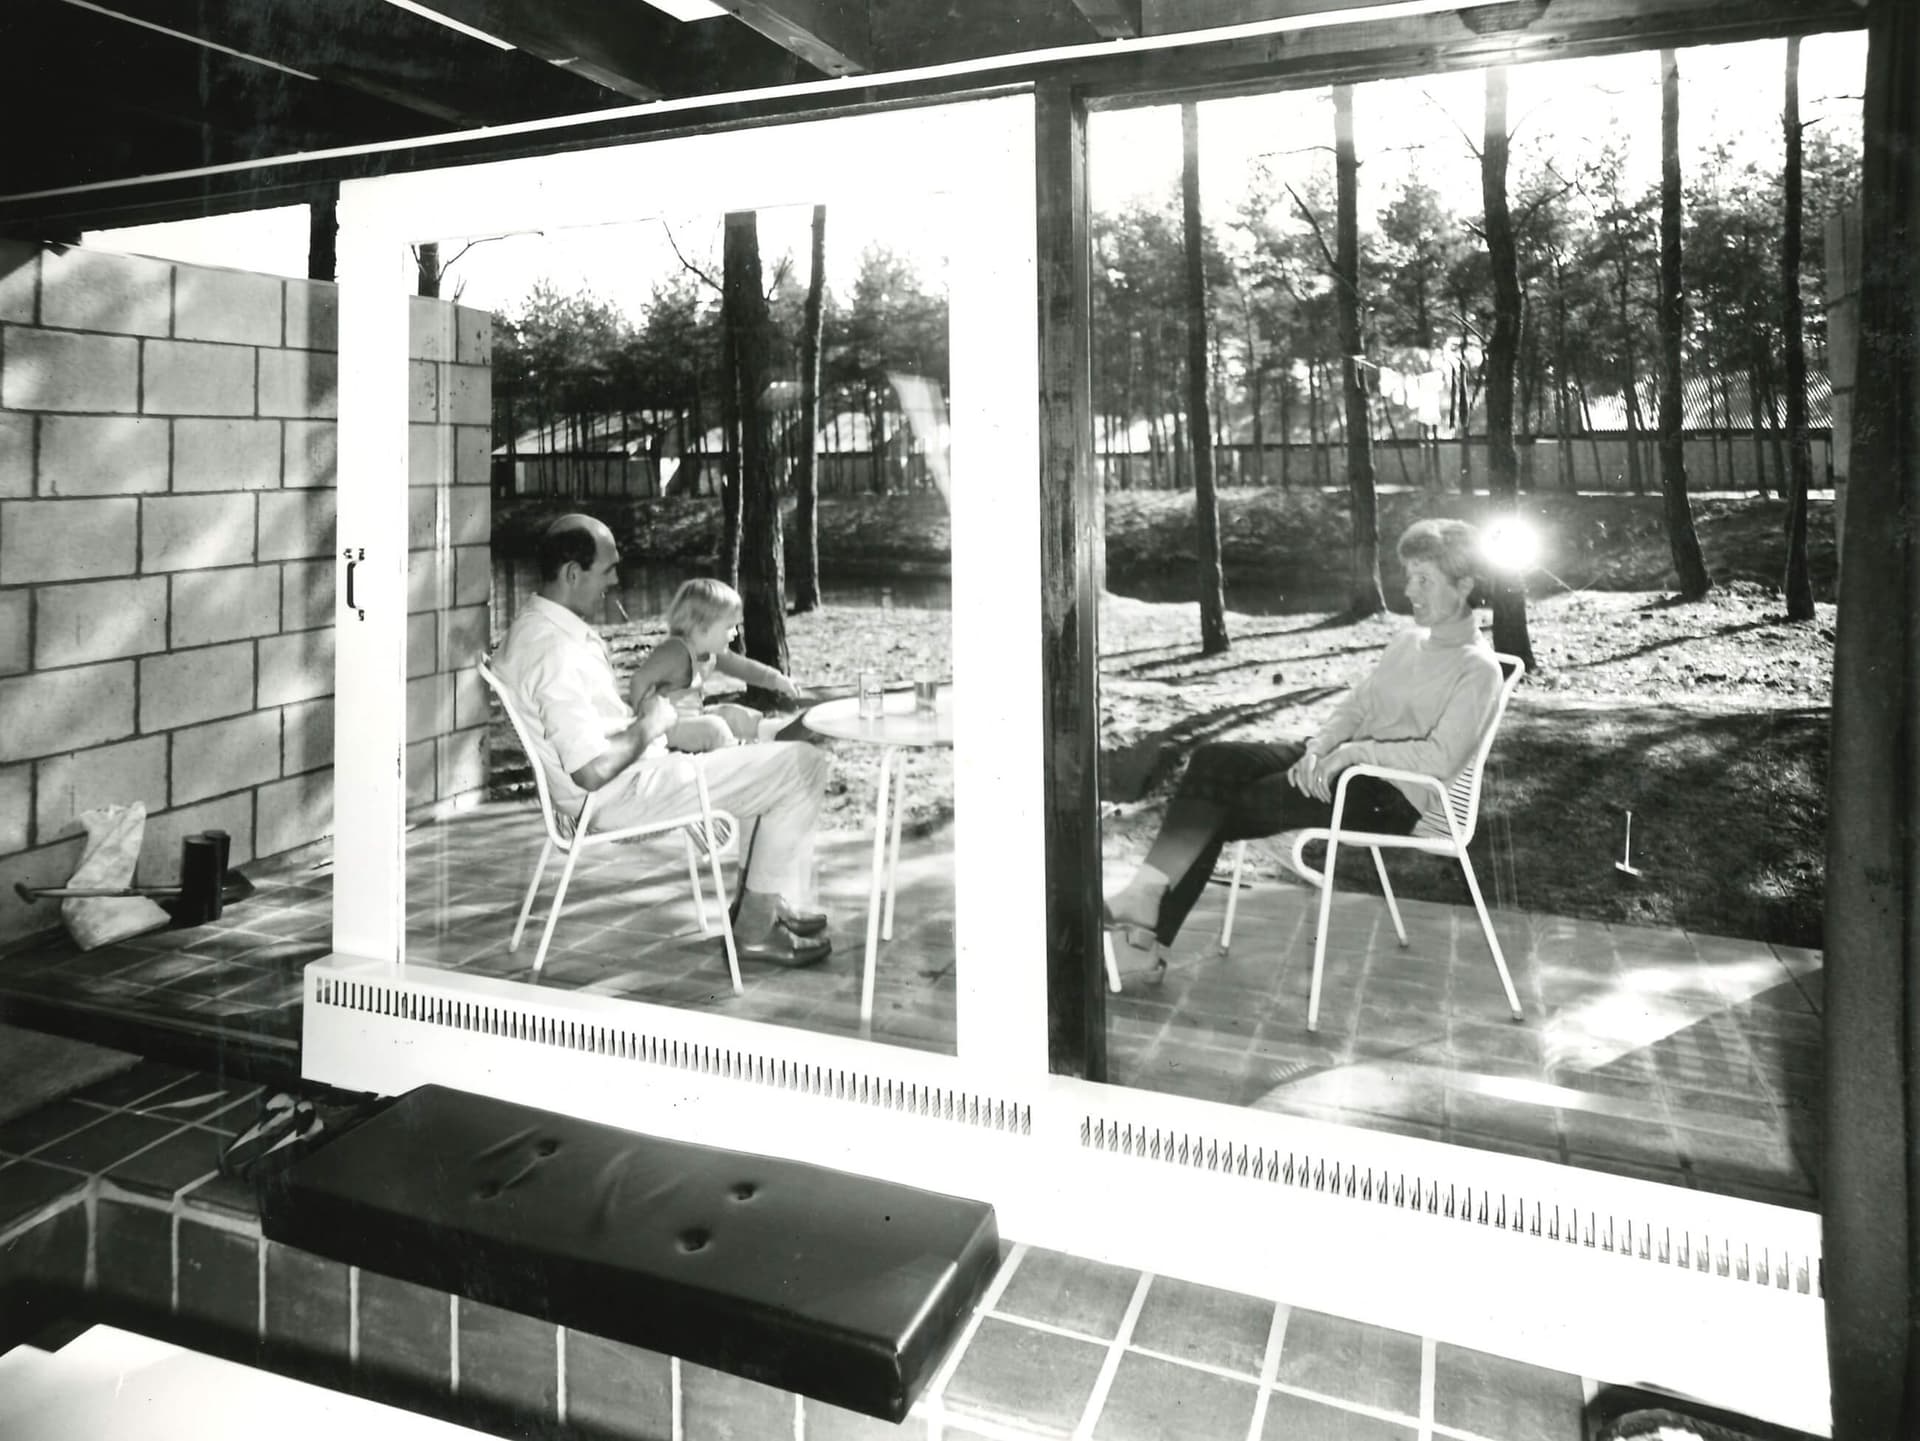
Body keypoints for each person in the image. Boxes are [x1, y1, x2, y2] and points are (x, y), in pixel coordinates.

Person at [1103, 517, 1505, 980]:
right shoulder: (1407, 642)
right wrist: (1319, 748)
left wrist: (1352, 756)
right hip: (1343, 766)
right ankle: (1146, 903)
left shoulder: (1479, 670)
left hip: (1392, 795)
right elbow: (1355, 708)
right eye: (1408, 576)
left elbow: (1440, 759)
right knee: (1215, 761)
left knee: (1218, 807)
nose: (1410, 591)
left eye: (1424, 580)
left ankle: (1145, 926)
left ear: (1464, 585)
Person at [493, 514, 833, 966]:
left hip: (634, 778)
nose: (616, 579)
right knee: (803, 765)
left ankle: (756, 906)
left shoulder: (540, 628)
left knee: (771, 765)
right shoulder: (552, 650)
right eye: (607, 569)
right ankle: (753, 931)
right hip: (620, 794)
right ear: (573, 574)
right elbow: (591, 769)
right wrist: (650, 724)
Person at [630, 578, 799, 753]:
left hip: (692, 718)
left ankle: (774, 731)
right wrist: (644, 729)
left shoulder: (711, 653)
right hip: (666, 729)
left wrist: (777, 680)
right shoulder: (675, 651)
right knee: (714, 728)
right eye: (730, 627)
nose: (735, 633)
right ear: (703, 627)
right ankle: (735, 759)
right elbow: (639, 680)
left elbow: (744, 668)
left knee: (733, 714)